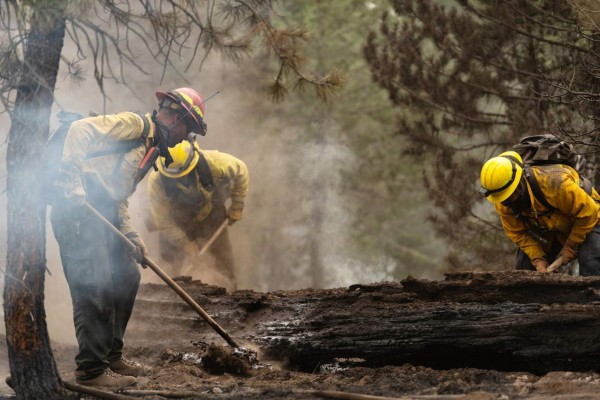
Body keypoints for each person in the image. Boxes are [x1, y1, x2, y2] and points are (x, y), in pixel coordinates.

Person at [50, 87, 207, 388]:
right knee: (94, 284)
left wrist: (131, 234)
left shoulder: (151, 148)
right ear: (175, 117)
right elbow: (79, 129)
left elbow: (118, 196)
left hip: (103, 213)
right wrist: (70, 179)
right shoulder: (136, 126)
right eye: (190, 128)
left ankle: (111, 356)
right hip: (78, 212)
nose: (188, 138)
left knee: (127, 276)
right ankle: (91, 370)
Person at [147, 140, 249, 291]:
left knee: (222, 262)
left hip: (211, 216)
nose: (178, 179)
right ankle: (172, 295)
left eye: (182, 175)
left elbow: (241, 171)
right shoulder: (156, 181)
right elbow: (163, 221)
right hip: (177, 222)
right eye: (173, 178)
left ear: (192, 164)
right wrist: (186, 245)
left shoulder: (213, 162)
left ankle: (229, 292)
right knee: (171, 266)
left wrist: (237, 205)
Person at [479, 151, 600, 275]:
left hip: (592, 218)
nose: (506, 202)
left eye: (509, 197)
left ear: (519, 184)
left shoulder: (554, 183)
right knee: (525, 269)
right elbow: (518, 234)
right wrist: (538, 260)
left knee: (591, 264)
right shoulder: (502, 201)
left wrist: (571, 245)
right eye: (502, 199)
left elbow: (588, 212)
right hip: (555, 228)